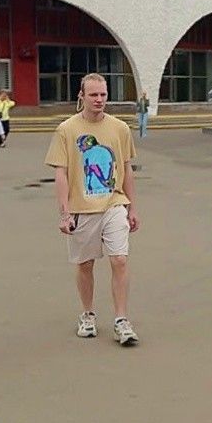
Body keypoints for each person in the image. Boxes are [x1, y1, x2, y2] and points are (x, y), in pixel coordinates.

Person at [45, 73, 140, 346]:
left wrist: (132, 208)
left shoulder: (120, 128)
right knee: (85, 265)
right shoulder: (67, 130)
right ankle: (87, 314)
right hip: (82, 208)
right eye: (93, 95)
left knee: (119, 260)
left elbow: (127, 169)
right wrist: (64, 214)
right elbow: (61, 174)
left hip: (114, 203)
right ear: (82, 96)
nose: (99, 100)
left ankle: (121, 320)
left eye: (103, 94)